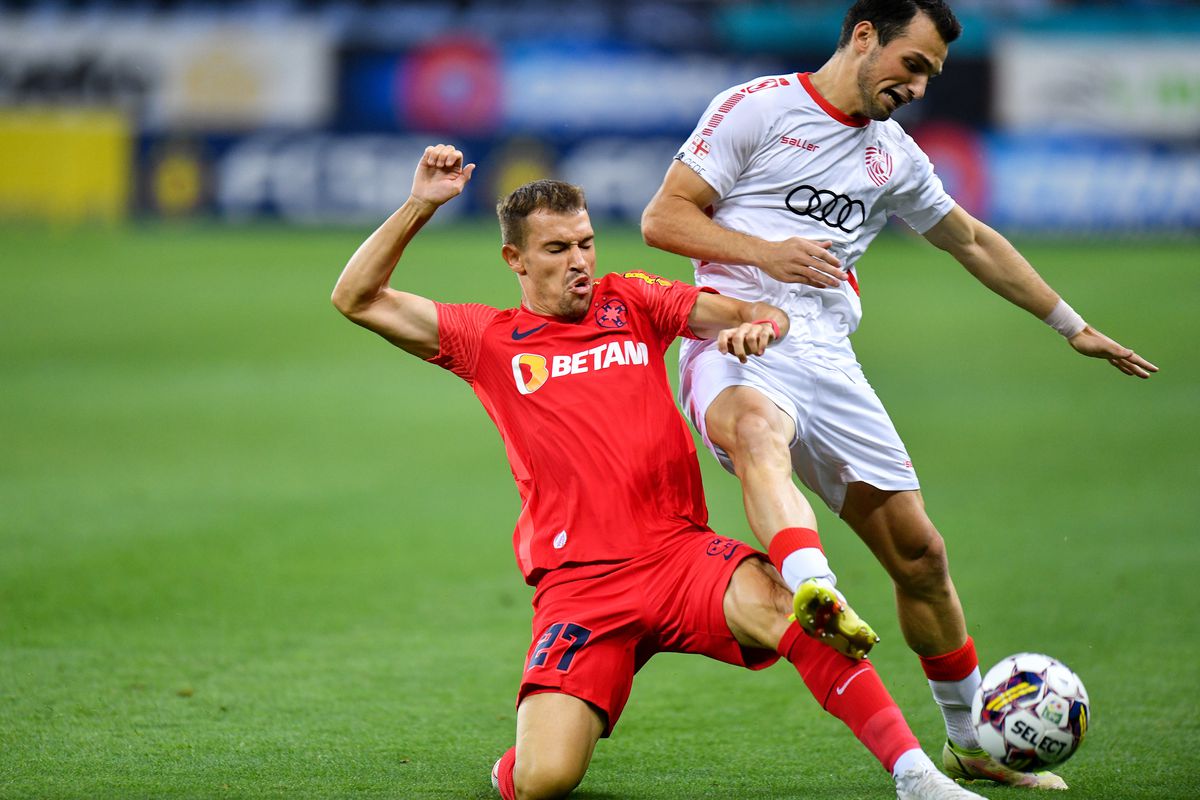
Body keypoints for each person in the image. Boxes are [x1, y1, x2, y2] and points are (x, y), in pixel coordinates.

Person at [332, 144, 988, 800]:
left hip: (679, 558)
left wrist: (764, 326)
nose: (580, 262)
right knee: (544, 783)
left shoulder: (633, 300)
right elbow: (356, 297)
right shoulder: (488, 340)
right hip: (582, 590)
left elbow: (745, 313)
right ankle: (519, 763)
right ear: (516, 260)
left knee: (806, 615)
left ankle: (916, 777)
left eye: (586, 243)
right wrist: (422, 204)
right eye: (557, 250)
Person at [640, 0, 1158, 791]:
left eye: (931, 75)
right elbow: (663, 217)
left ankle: (969, 741)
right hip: (737, 332)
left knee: (921, 556)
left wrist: (1069, 324)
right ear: (862, 37)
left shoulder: (894, 158)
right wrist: (764, 255)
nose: (917, 85)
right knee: (755, 432)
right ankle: (814, 583)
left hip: (828, 356)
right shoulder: (757, 108)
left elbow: (972, 239)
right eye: (911, 64)